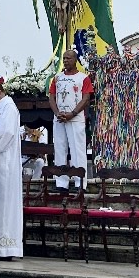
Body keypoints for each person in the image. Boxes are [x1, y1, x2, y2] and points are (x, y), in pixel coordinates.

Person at [0, 81, 24, 260]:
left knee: (4, 205)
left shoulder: (8, 107)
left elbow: (4, 133)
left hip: (4, 163)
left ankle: (5, 248)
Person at [50, 48, 93, 189]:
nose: (65, 61)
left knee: (77, 150)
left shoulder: (83, 78)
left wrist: (72, 113)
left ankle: (80, 182)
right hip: (60, 118)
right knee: (59, 148)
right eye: (64, 58)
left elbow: (86, 98)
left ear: (75, 60)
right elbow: (52, 97)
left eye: (68, 58)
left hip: (75, 118)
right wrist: (57, 113)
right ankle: (61, 182)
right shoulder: (57, 77)